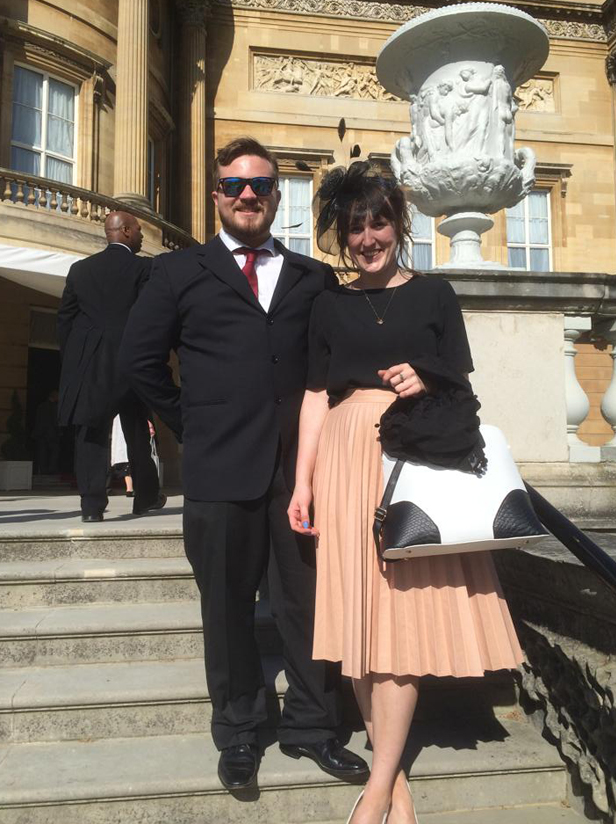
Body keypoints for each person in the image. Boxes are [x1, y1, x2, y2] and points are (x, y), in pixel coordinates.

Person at [120, 137, 369, 790]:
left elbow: (336, 365)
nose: (248, 195)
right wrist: (189, 424)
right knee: (227, 610)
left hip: (298, 477)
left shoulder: (310, 278)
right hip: (217, 474)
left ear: (275, 195)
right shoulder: (176, 273)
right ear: (216, 196)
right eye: (234, 186)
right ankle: (237, 732)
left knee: (307, 606)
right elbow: (139, 361)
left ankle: (315, 727)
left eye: (259, 185)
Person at [288, 162, 524, 824]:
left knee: (396, 625)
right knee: (359, 619)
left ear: (399, 223)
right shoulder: (328, 303)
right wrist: (302, 480)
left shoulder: (435, 294)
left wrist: (425, 379)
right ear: (342, 233)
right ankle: (394, 786)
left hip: (409, 456)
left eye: (379, 222)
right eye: (356, 226)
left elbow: (463, 388)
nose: (368, 237)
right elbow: (314, 393)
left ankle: (376, 787)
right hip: (342, 457)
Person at [57, 211, 165, 522]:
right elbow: (152, 316)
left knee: (90, 434)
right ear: (127, 232)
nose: (144, 237)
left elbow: (65, 320)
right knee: (137, 432)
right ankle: (144, 498)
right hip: (132, 362)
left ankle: (91, 507)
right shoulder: (145, 268)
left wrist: (73, 361)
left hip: (91, 366)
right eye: (140, 232)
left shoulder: (80, 270)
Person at [32, 389, 61, 474]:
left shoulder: (41, 406)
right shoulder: (55, 407)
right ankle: (51, 469)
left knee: (42, 452)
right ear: (54, 397)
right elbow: (56, 421)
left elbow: (37, 420)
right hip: (51, 433)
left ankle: (42, 469)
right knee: (55, 451)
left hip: (40, 433)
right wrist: (59, 431)